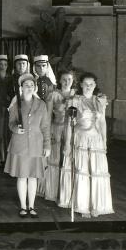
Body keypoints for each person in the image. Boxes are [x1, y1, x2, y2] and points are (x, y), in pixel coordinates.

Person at [59, 73, 114, 217]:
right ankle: (83, 205)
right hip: (80, 139)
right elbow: (69, 125)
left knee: (95, 172)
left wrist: (104, 141)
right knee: (82, 171)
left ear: (95, 86)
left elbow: (102, 123)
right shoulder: (74, 101)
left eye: (91, 84)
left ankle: (95, 205)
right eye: (86, 84)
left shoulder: (99, 101)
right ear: (81, 85)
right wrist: (67, 144)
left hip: (95, 141)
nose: (88, 86)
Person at [6, 74, 49, 217]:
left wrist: (47, 145)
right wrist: (15, 129)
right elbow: (11, 122)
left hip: (36, 145)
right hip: (20, 145)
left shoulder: (41, 104)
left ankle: (32, 206)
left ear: (35, 87)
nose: (29, 87)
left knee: (33, 177)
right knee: (22, 176)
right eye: (26, 85)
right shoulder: (16, 103)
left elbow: (45, 127)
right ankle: (23, 206)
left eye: (31, 85)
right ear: (21, 88)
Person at [42, 70, 76, 203]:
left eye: (69, 79)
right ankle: (53, 192)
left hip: (71, 130)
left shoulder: (76, 95)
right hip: (56, 128)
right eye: (64, 79)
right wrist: (47, 132)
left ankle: (66, 193)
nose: (67, 82)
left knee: (67, 160)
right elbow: (48, 115)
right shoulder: (53, 95)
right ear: (60, 81)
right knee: (55, 160)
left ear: (73, 81)